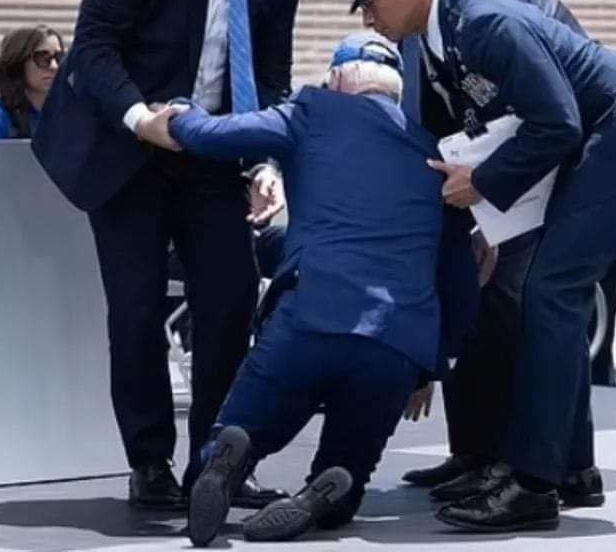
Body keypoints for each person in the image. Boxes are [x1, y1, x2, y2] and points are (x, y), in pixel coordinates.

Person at [318, 0, 616, 532]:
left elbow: (559, 123)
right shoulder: (444, 34)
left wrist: (484, 186)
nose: (367, 18)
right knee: (548, 296)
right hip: (589, 145)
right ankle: (570, 470)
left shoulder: (485, 23)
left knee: (550, 292)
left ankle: (532, 483)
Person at [32, 0, 300, 510]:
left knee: (232, 303)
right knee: (137, 312)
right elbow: (91, 49)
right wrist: (139, 119)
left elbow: (271, 79)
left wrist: (267, 159)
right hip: (128, 154)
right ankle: (149, 463)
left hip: (210, 154)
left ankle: (214, 466)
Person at [352, 0, 616, 501]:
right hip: (494, 156)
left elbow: (526, 109)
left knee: (525, 298)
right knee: (475, 288)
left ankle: (530, 467)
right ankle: (481, 453)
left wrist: (484, 196)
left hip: (554, 156)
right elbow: (433, 102)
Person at [158, 32, 464, 545]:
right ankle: (321, 495)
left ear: (339, 78)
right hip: (396, 342)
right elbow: (454, 275)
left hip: (311, 314)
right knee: (349, 472)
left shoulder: (311, 111)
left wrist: (179, 111)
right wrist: (429, 365)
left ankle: (229, 455)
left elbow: (212, 135)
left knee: (236, 435)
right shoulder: (431, 150)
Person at [0, 25, 63, 139]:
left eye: (59, 57)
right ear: (18, 63)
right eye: (43, 58)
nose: (54, 66)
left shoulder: (66, 119)